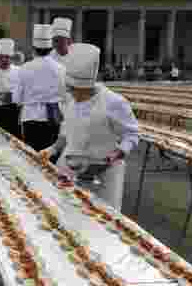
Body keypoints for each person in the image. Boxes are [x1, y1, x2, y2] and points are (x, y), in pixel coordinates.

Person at [39, 44, 140, 212]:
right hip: (69, 168)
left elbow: (132, 134)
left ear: (90, 85)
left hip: (104, 172)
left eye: (78, 90)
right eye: (71, 89)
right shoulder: (70, 100)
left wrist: (114, 155)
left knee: (103, 219)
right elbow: (66, 132)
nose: (73, 94)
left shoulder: (114, 102)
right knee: (67, 215)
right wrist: (51, 150)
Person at [15, 24, 66, 151]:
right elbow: (65, 96)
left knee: (32, 158)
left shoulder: (24, 68)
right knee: (51, 158)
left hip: (30, 117)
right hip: (53, 116)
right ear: (51, 48)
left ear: (33, 48)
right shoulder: (60, 68)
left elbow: (17, 98)